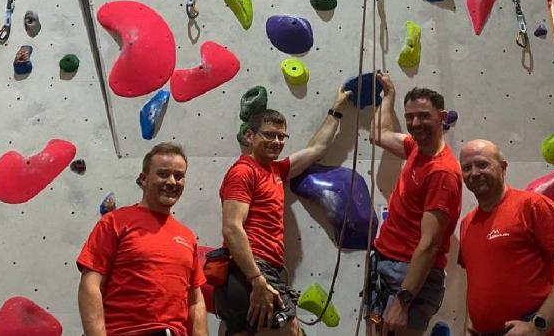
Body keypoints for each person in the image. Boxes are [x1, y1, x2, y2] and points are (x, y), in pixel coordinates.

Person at [215, 86, 352, 335]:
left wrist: (337, 109)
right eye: (269, 135)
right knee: (292, 331)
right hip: (252, 271)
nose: (277, 142)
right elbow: (232, 228)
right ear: (249, 136)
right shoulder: (243, 172)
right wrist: (257, 280)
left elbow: (317, 149)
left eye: (281, 137)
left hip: (257, 272)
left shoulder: (276, 171)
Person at [458, 139, 554, 336]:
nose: (474, 173)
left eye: (482, 164)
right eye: (466, 168)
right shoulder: (467, 223)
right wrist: (469, 322)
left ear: (503, 167)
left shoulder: (531, 206)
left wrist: (537, 326)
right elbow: (476, 280)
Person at [366, 71, 463, 336]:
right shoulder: (415, 148)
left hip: (407, 276)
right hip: (385, 263)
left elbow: (430, 244)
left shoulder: (442, 173)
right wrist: (389, 95)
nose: (415, 123)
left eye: (423, 116)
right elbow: (378, 134)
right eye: (410, 117)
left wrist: (403, 301)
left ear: (442, 118)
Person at [76, 142, 208, 336]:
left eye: (179, 176)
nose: (172, 182)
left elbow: (195, 301)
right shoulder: (114, 222)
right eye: (163, 174)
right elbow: (90, 285)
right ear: (144, 179)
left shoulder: (187, 237)